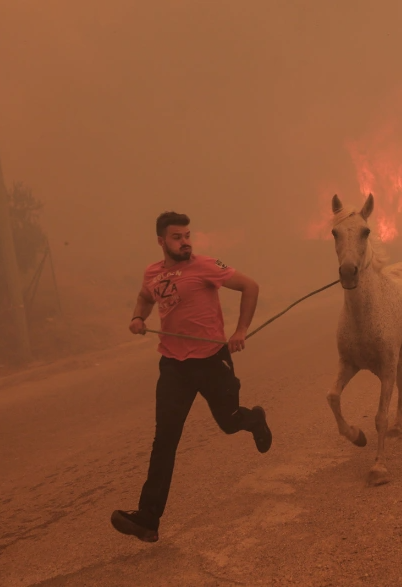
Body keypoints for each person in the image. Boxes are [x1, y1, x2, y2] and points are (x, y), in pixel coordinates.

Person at [111, 211, 271, 543]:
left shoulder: (206, 266)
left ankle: (254, 419)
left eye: (187, 235)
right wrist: (138, 318)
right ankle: (148, 519)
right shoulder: (152, 273)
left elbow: (250, 287)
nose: (184, 242)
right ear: (161, 241)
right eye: (176, 237)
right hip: (174, 366)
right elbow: (144, 298)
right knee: (165, 439)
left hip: (212, 361)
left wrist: (241, 330)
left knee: (228, 422)